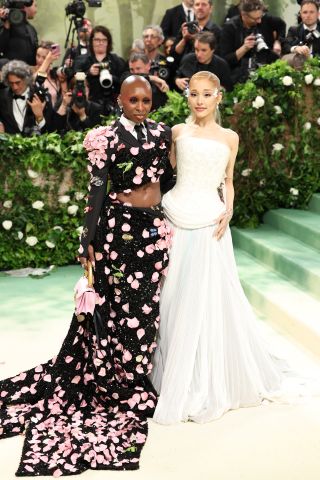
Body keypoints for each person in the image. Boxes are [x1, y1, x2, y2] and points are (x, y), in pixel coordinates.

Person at [0, 75, 174, 476]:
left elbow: (168, 180)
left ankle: (137, 377)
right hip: (119, 231)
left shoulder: (162, 133)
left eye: (146, 100)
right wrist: (86, 241)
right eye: (134, 100)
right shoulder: (105, 138)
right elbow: (96, 193)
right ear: (120, 100)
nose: (141, 106)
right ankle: (121, 382)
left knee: (145, 310)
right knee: (118, 309)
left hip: (154, 229)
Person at [150, 70, 286, 424]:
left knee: (208, 299)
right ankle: (169, 370)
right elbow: (168, 174)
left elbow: (227, 180)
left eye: (206, 94)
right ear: (188, 96)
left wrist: (229, 209)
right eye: (194, 93)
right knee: (172, 297)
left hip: (211, 224)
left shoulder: (230, 137)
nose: (199, 100)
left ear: (218, 97)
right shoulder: (177, 132)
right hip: (175, 217)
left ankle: (206, 372)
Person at [220, 0, 285, 83]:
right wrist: (244, 48)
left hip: (265, 70)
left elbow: (282, 25)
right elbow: (225, 61)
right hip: (237, 76)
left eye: (260, 17)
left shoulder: (264, 20)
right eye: (256, 19)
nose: (259, 21)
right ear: (243, 15)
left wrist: (278, 41)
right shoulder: (230, 28)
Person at [74, 25, 126, 115]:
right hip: (88, 106)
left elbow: (125, 81)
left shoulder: (116, 60)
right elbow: (72, 81)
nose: (100, 43)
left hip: (114, 105)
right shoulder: (82, 60)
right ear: (91, 41)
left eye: (104, 40)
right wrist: (88, 73)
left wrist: (111, 77)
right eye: (97, 40)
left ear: (108, 42)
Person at [0, 59, 54, 135]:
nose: (15, 87)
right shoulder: (2, 96)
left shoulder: (42, 96)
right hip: (8, 145)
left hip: (34, 145)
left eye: (18, 82)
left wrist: (39, 116)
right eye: (11, 83)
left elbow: (50, 131)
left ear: (26, 79)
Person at [0, 0, 38, 66]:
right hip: (9, 71)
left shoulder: (31, 29)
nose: (36, 9)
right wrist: (6, 24)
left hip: (26, 72)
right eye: (35, 5)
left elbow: (34, 57)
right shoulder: (6, 24)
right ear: (25, 6)